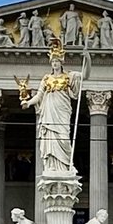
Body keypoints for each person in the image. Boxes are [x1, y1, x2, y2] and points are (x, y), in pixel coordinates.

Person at [18, 42, 90, 174]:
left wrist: (88, 58)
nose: (55, 63)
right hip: (49, 110)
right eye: (53, 61)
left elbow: (85, 75)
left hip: (62, 110)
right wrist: (28, 103)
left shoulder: (69, 76)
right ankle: (51, 166)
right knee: (49, 138)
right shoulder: (46, 78)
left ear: (61, 62)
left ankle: (66, 165)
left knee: (63, 138)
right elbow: (39, 95)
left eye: (57, 61)